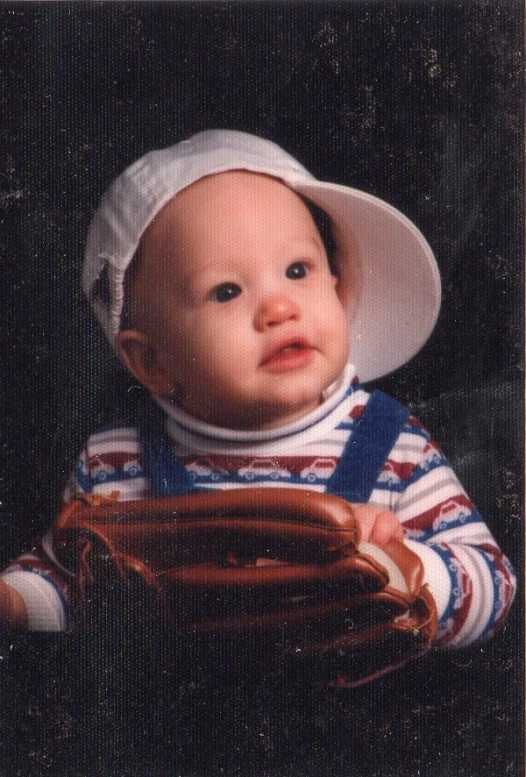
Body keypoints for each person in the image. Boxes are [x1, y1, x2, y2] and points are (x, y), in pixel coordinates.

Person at [0, 130, 516, 643]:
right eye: (226, 291)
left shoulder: (394, 447)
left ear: (338, 288)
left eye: (297, 270)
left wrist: (408, 568)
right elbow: (64, 580)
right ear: (152, 361)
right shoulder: (114, 463)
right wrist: (18, 601)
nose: (278, 308)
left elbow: (494, 582)